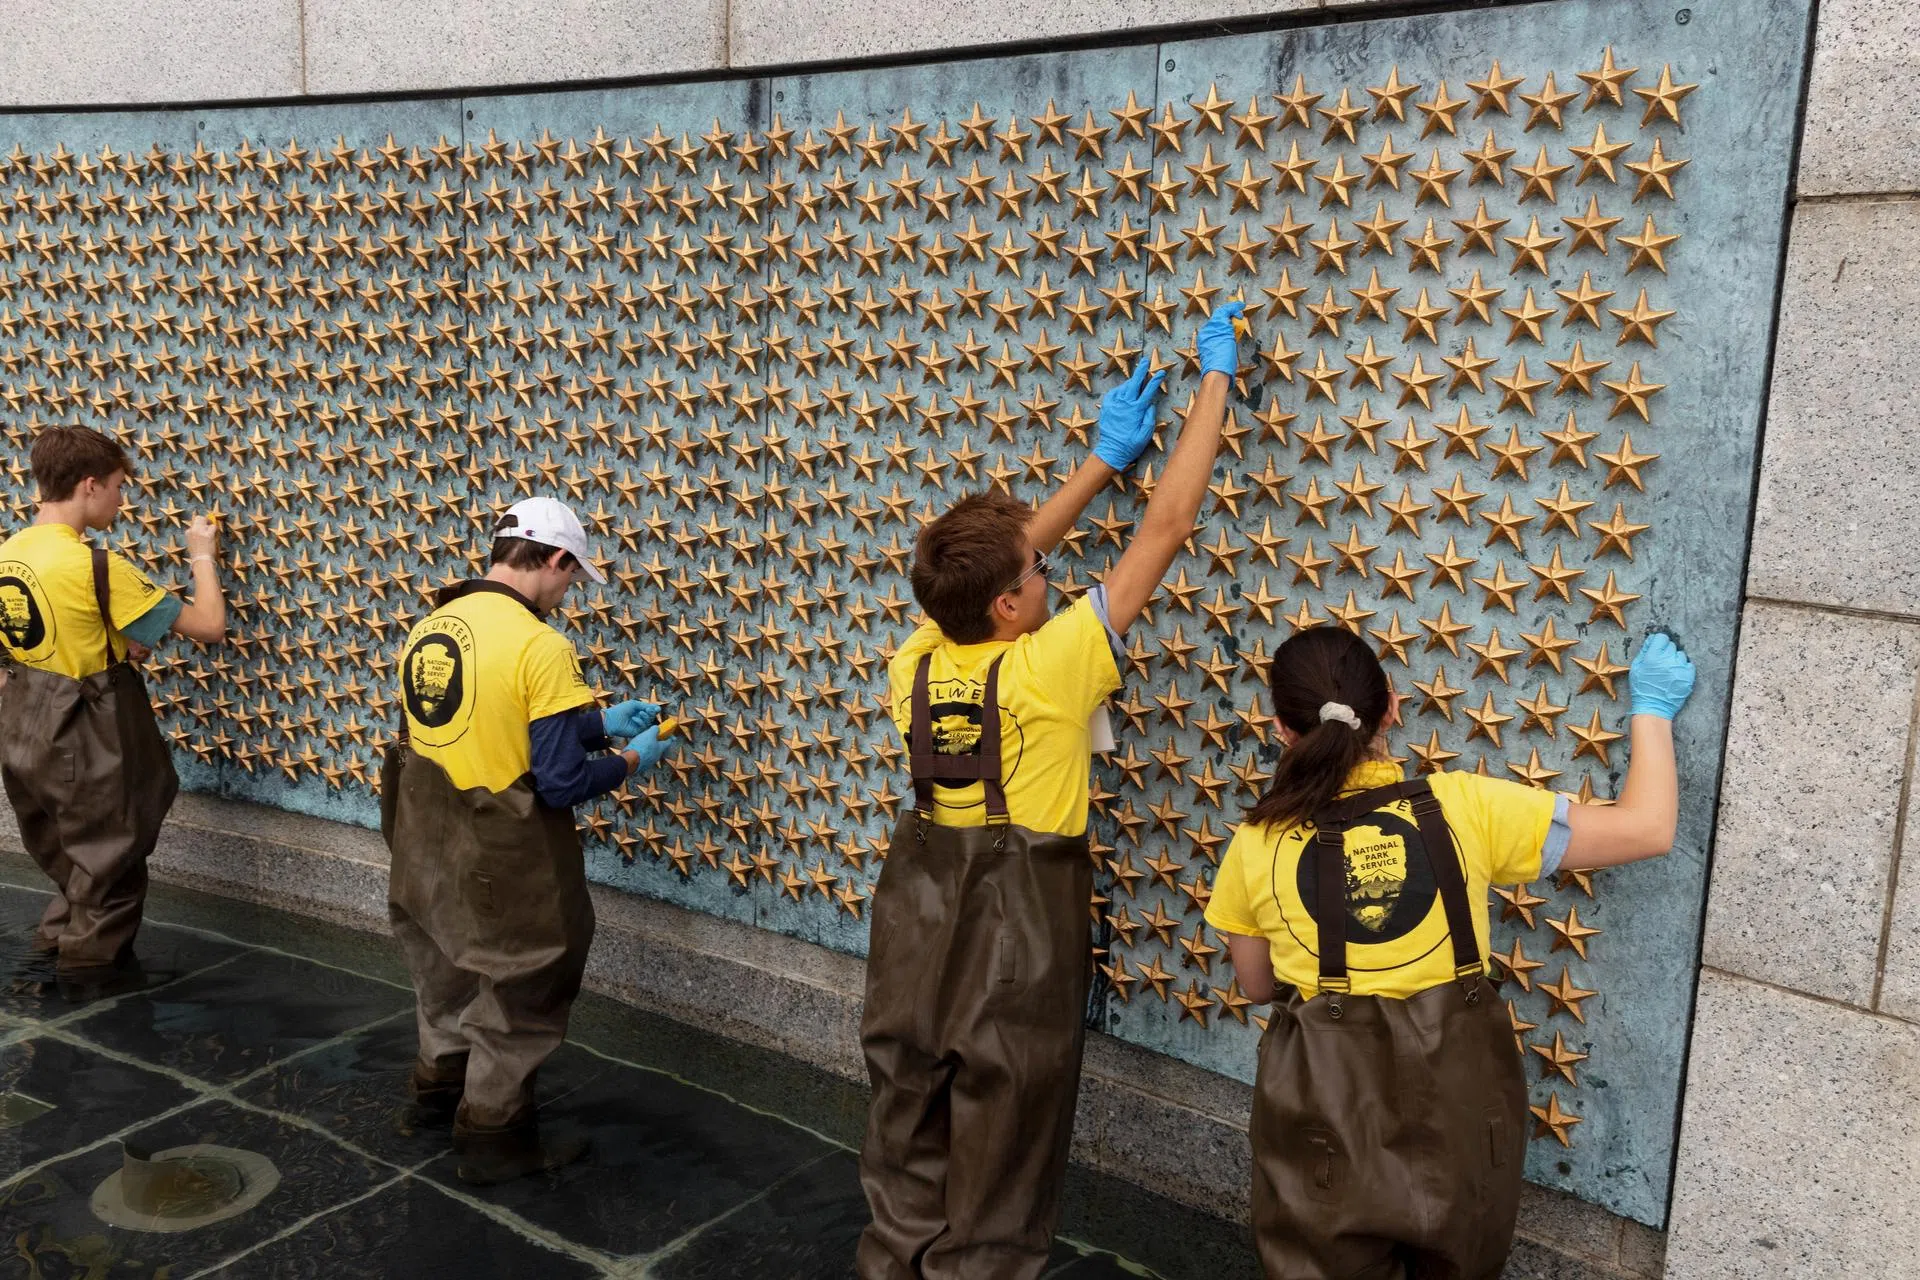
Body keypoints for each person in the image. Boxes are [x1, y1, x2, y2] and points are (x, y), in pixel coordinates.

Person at [857, 300, 1247, 1279]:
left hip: (914, 926)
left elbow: (994, 563)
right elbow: (1169, 526)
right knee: (1007, 1134)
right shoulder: (1053, 667)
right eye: (1039, 571)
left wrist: (1100, 461)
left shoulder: (918, 656)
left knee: (909, 1118)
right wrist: (1216, 383)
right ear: (1009, 603)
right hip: (1014, 938)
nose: (1051, 569)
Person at [1205, 625, 1696, 1279]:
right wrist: (1651, 713)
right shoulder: (1464, 806)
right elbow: (1647, 828)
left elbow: (1257, 986)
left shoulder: (1258, 840)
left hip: (1323, 1119)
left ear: (1281, 730)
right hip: (1461, 1114)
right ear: (1393, 709)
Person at [382, 496, 673, 1185]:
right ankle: (493, 1139)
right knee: (524, 984)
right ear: (553, 559)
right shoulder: (542, 645)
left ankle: (434, 1096)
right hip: (500, 847)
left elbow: (487, 720)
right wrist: (632, 759)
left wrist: (597, 721)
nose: (569, 592)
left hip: (425, 838)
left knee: (447, 968)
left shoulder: (434, 624)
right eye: (571, 577)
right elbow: (560, 782)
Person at [0, 425, 225, 984]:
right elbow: (210, 626)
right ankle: (86, 999)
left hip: (23, 734)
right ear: (90, 485)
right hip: (86, 739)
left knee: (71, 859)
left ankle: (47, 957)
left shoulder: (10, 554)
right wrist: (202, 556)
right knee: (111, 867)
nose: (124, 500)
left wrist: (101, 645)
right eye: (121, 487)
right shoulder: (97, 568)